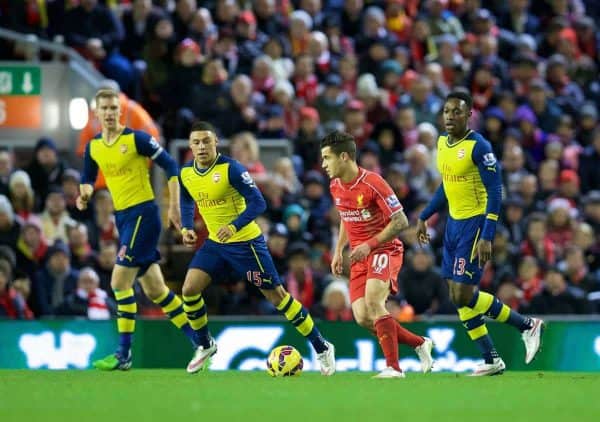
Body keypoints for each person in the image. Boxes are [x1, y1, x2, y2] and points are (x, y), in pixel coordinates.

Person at [178, 121, 335, 375]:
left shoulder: (231, 169)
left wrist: (234, 225)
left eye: (206, 141)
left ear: (216, 142)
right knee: (189, 289)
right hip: (216, 245)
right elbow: (185, 197)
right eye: (196, 142)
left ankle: (322, 347)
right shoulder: (186, 172)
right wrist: (186, 226)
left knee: (278, 298)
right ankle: (205, 345)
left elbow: (258, 203)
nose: (201, 146)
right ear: (190, 145)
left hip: (246, 245)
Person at [416, 91, 545, 376]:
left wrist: (487, 234)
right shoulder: (442, 143)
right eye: (447, 111)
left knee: (463, 294)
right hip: (453, 224)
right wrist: (425, 215)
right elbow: (447, 186)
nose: (450, 116)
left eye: (457, 112)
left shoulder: (479, 147)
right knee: (456, 294)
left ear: (469, 114)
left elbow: (495, 192)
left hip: (475, 224)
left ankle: (527, 325)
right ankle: (491, 359)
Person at [77, 88, 197, 370]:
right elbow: (88, 176)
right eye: (103, 109)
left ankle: (123, 354)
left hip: (144, 213)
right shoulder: (94, 146)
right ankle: (201, 342)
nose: (109, 113)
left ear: (120, 111)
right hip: (124, 219)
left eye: (113, 108)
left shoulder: (136, 139)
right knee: (156, 290)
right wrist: (83, 195)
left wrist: (174, 207)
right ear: (96, 113)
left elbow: (170, 165)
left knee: (119, 282)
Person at [321, 130, 433, 379]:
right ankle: (419, 343)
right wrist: (339, 249)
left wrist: (369, 244)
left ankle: (393, 368)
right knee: (362, 317)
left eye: (327, 158)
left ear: (345, 157)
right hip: (359, 255)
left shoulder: (373, 183)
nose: (323, 165)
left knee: (374, 301)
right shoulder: (336, 185)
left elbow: (401, 221)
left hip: (384, 248)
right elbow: (345, 216)